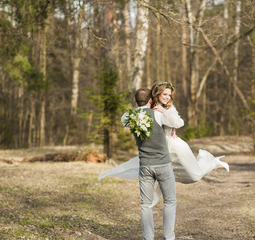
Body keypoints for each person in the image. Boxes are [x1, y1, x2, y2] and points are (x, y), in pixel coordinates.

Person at [98, 82, 229, 192]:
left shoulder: (169, 109)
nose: (167, 97)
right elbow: (127, 118)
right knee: (156, 174)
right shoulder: (148, 109)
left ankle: (210, 160)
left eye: (169, 95)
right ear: (157, 94)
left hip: (176, 147)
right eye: (164, 94)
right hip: (159, 150)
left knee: (195, 176)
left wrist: (164, 111)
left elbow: (178, 123)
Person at [123, 87, 189, 240]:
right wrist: (161, 108)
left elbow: (124, 118)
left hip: (145, 165)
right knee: (170, 202)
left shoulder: (130, 116)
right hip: (163, 164)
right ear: (151, 100)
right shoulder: (159, 115)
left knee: (145, 204)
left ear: (136, 101)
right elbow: (177, 123)